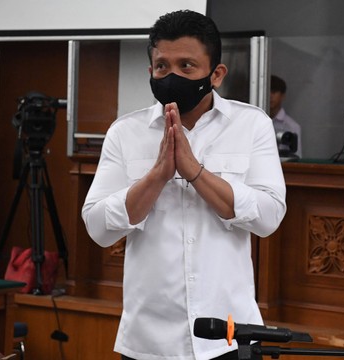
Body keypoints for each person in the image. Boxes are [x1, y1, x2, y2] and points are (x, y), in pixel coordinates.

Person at [81, 10, 286, 360]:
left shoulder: (252, 125)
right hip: (148, 342)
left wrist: (195, 172)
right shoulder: (125, 132)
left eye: (186, 66)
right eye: (162, 67)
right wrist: (157, 176)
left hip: (229, 336)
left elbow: (268, 218)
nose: (172, 76)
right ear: (150, 72)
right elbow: (97, 227)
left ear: (216, 74)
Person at [269, 75, 302, 158]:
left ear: (282, 96)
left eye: (274, 92)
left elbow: (296, 157)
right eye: (268, 91)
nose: (270, 96)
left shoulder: (292, 126)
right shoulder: (256, 121)